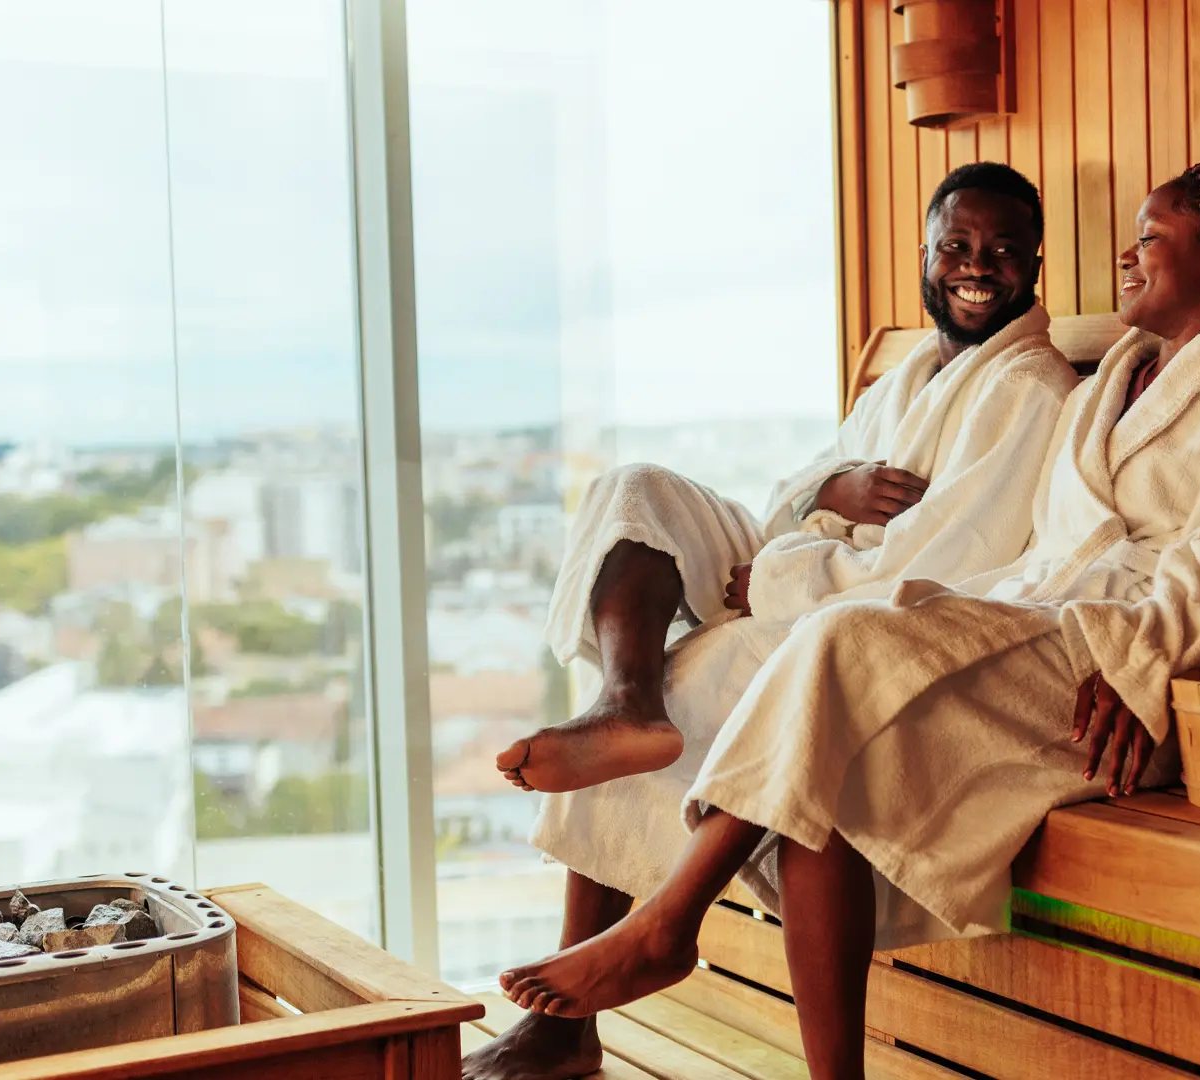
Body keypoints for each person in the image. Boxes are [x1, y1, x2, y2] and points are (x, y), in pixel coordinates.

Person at [491, 107, 1200, 1080]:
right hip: (1043, 612)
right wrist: (879, 563)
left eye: (1149, 237)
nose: (1126, 253)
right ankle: (631, 747)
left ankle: (670, 922)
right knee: (814, 695)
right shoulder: (1118, 376)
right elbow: (1030, 553)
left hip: (1127, 674)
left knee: (840, 650)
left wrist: (1141, 664)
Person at [462, 162, 1078, 1080]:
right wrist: (828, 494)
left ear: (1036, 265)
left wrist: (782, 578)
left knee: (706, 670)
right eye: (956, 245)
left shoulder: (1029, 389)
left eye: (999, 251)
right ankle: (624, 705)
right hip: (805, 574)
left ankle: (572, 1023)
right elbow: (795, 487)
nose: (975, 266)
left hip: (871, 613)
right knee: (637, 494)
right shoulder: (911, 372)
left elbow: (943, 564)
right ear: (926, 253)